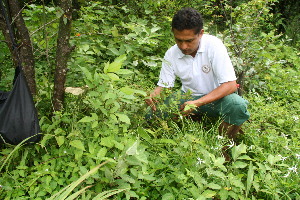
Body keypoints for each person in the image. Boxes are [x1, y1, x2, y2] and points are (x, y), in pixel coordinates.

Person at [145, 7, 250, 158]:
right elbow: (163, 85)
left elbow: (230, 85)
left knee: (238, 105)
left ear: (201, 33)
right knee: (151, 115)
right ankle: (194, 118)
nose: (183, 46)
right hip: (187, 97)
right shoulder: (171, 53)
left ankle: (225, 146)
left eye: (189, 41)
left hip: (217, 99)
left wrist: (198, 103)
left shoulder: (214, 46)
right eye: (178, 40)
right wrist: (154, 95)